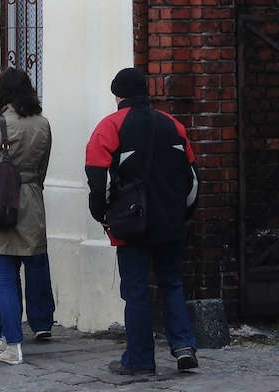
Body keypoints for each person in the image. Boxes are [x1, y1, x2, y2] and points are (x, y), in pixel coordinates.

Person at [85, 67, 199, 375]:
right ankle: (184, 345)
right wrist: (181, 214)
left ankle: (139, 359)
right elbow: (192, 181)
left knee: (135, 290)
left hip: (131, 222)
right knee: (172, 283)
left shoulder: (109, 127)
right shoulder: (173, 125)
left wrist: (103, 215)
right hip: (170, 220)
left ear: (118, 96)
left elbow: (99, 180)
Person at [0, 67, 55, 365]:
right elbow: (42, 169)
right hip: (31, 200)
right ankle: (34, 326)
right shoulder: (43, 124)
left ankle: (11, 342)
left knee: (4, 277)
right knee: (31, 268)